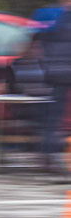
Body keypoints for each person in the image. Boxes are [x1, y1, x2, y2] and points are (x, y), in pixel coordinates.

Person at [38, 9, 71, 175]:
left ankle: (49, 157)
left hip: (56, 74)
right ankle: (51, 157)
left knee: (53, 119)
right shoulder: (61, 18)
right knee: (54, 119)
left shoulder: (59, 19)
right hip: (62, 75)